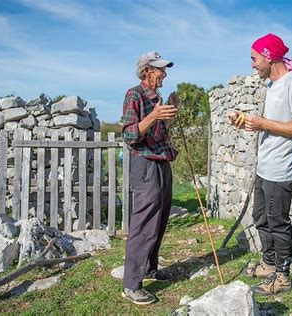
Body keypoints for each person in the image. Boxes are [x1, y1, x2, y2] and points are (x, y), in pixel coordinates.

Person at [230, 33, 292, 295]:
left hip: (281, 169)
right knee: (261, 218)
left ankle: (283, 278)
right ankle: (269, 265)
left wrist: (264, 123)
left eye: (255, 59)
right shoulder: (272, 85)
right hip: (265, 167)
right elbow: (277, 126)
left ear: (268, 56)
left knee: (277, 221)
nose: (253, 64)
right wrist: (248, 123)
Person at [121, 51, 178, 305]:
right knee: (144, 223)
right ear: (147, 71)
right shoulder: (134, 94)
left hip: (162, 162)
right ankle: (131, 284)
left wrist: (170, 114)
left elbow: (158, 134)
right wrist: (154, 116)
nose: (164, 74)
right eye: (160, 70)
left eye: (164, 70)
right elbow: (130, 135)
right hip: (144, 164)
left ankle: (150, 268)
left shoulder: (158, 98)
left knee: (160, 219)